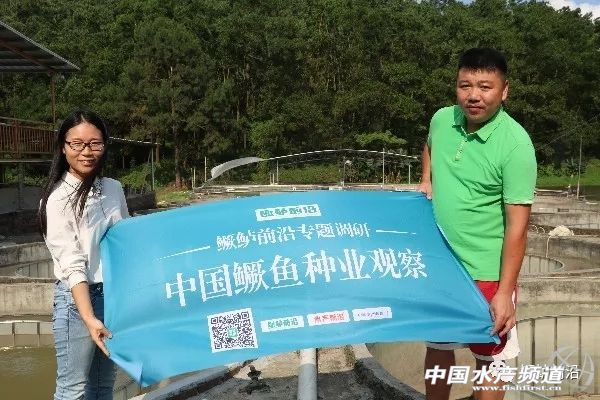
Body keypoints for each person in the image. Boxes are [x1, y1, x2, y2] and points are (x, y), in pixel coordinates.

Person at [418, 48, 537, 400]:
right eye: (465, 85)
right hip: (442, 269)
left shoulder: (515, 145)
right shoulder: (443, 119)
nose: (473, 95)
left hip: (487, 274)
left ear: (504, 90)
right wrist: (426, 179)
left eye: (485, 87)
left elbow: (517, 227)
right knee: (438, 348)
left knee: (491, 359)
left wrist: (504, 292)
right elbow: (430, 145)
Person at [38, 109, 129, 400]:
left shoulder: (113, 188)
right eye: (77, 144)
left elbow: (125, 241)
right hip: (76, 303)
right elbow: (73, 264)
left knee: (102, 387)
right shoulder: (56, 199)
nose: (86, 152)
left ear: (105, 145)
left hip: (112, 297)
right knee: (72, 389)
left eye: (95, 143)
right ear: (63, 148)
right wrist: (89, 317)